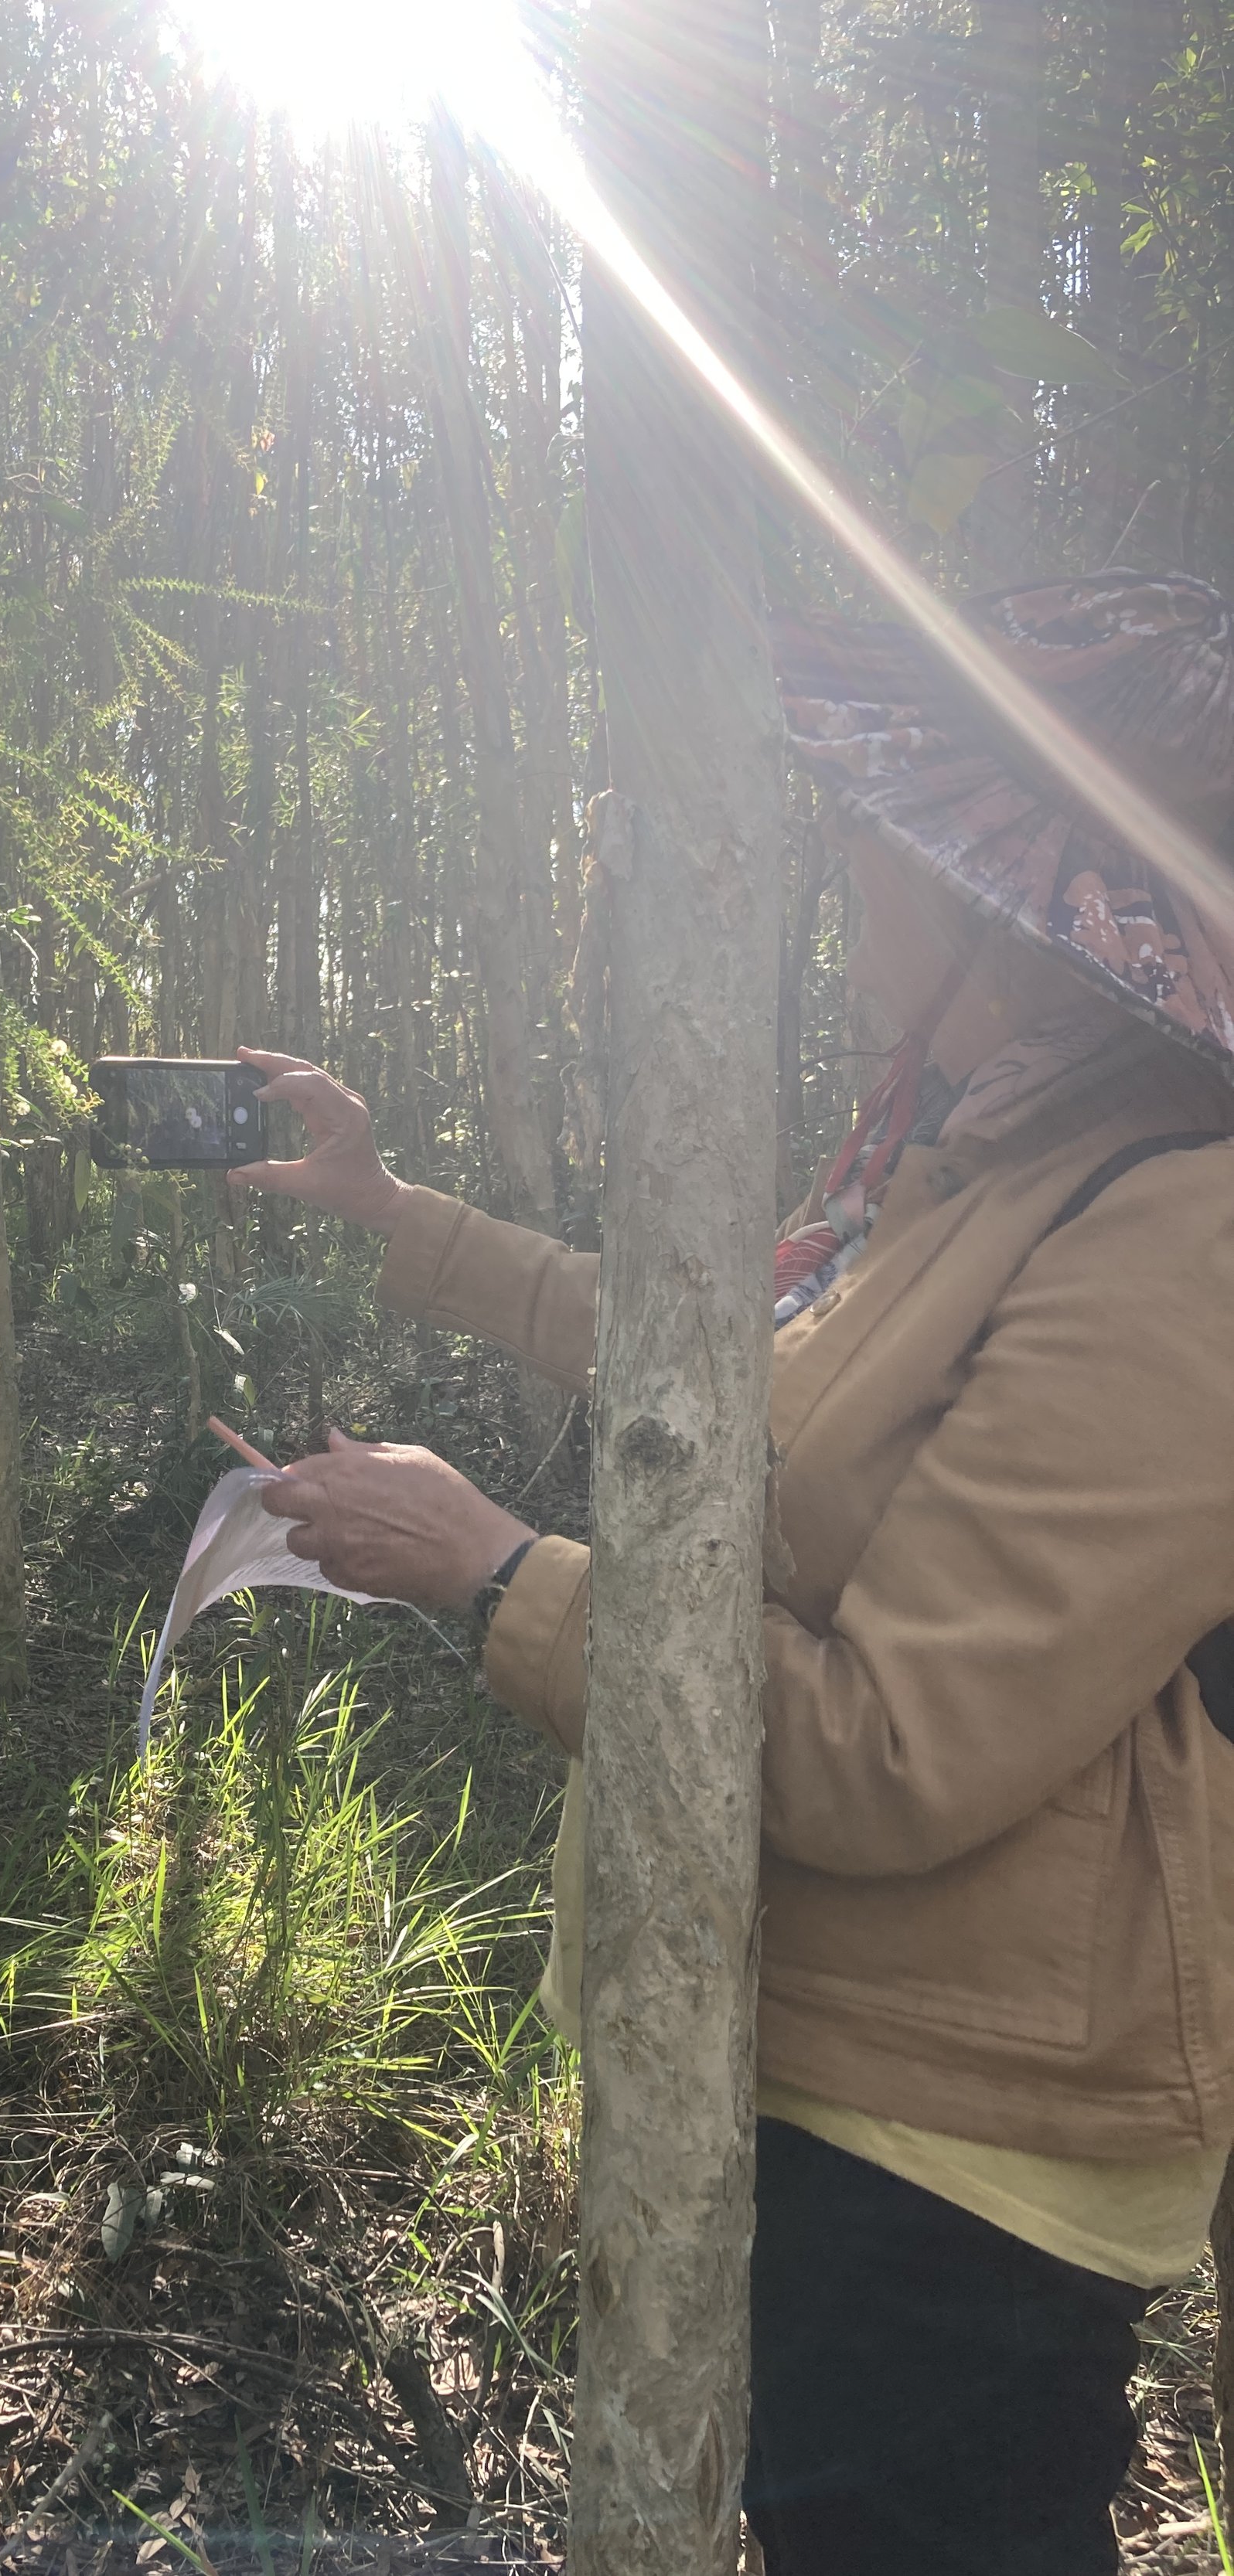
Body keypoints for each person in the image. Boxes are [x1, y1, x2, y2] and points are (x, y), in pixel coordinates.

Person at [227, 573, 1234, 2575]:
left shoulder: (1172, 1224)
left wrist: (490, 1572)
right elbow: (723, 1381)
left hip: (966, 2142)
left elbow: (889, 1747)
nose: (846, 893)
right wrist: (389, 1210)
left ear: (1005, 892)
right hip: (862, 2076)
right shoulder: (957, 1154)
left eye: (879, 849)